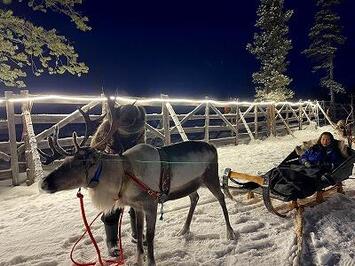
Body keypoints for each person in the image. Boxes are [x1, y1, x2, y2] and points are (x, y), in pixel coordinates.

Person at [90, 102, 146, 257]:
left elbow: (141, 146)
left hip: (131, 169)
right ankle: (112, 241)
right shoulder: (107, 127)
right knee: (113, 207)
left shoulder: (139, 125)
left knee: (136, 203)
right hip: (110, 171)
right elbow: (95, 149)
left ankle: (137, 234)